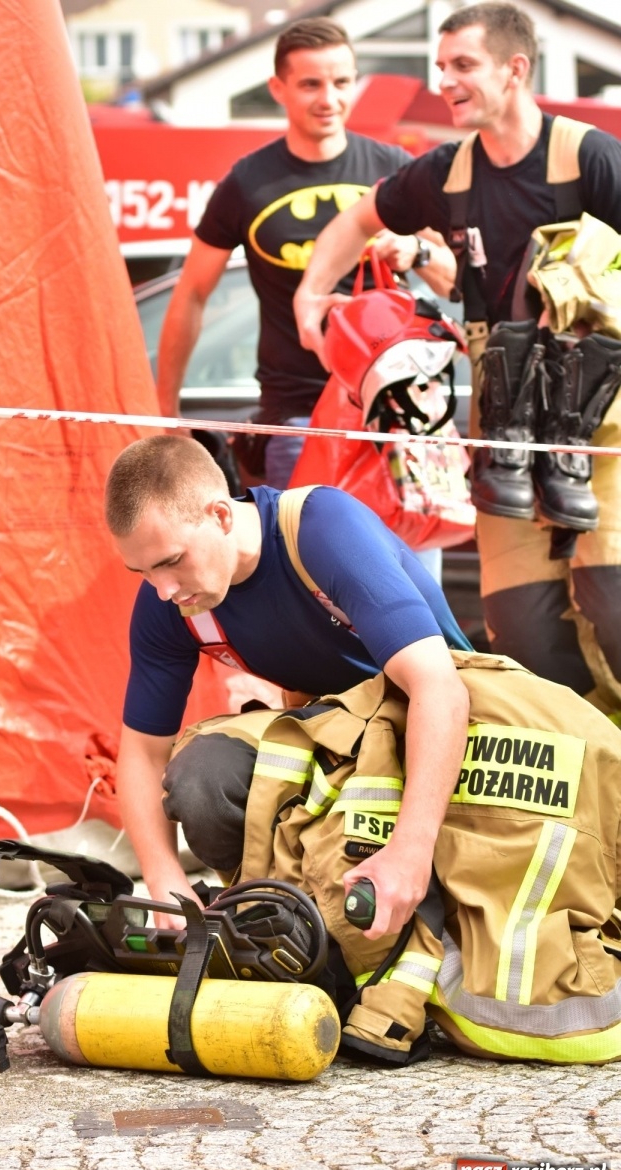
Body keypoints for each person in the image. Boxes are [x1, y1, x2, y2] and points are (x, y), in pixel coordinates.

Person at [294, 1, 621, 717]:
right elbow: (357, 218)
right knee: (527, 635)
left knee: (616, 612)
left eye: (463, 66)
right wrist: (311, 296)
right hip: (499, 429)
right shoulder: (445, 173)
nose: (446, 81)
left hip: (597, 425)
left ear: (515, 69)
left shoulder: (589, 156)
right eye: (441, 67)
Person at [105, 435, 471, 940]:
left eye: (170, 561)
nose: (163, 589)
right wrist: (165, 878)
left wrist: (412, 850)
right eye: (141, 571)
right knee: (201, 777)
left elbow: (441, 689)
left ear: (221, 516)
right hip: (341, 739)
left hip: (441, 730)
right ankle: (281, 925)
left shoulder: (322, 529)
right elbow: (143, 753)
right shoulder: (170, 606)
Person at [155, 16, 455, 492]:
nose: (329, 99)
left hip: (401, 405)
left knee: (413, 561)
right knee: (306, 560)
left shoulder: (394, 169)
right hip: (299, 413)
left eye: (341, 82)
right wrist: (165, 411)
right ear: (278, 87)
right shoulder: (248, 183)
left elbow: (454, 279)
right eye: (311, 84)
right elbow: (191, 292)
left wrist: (416, 249)